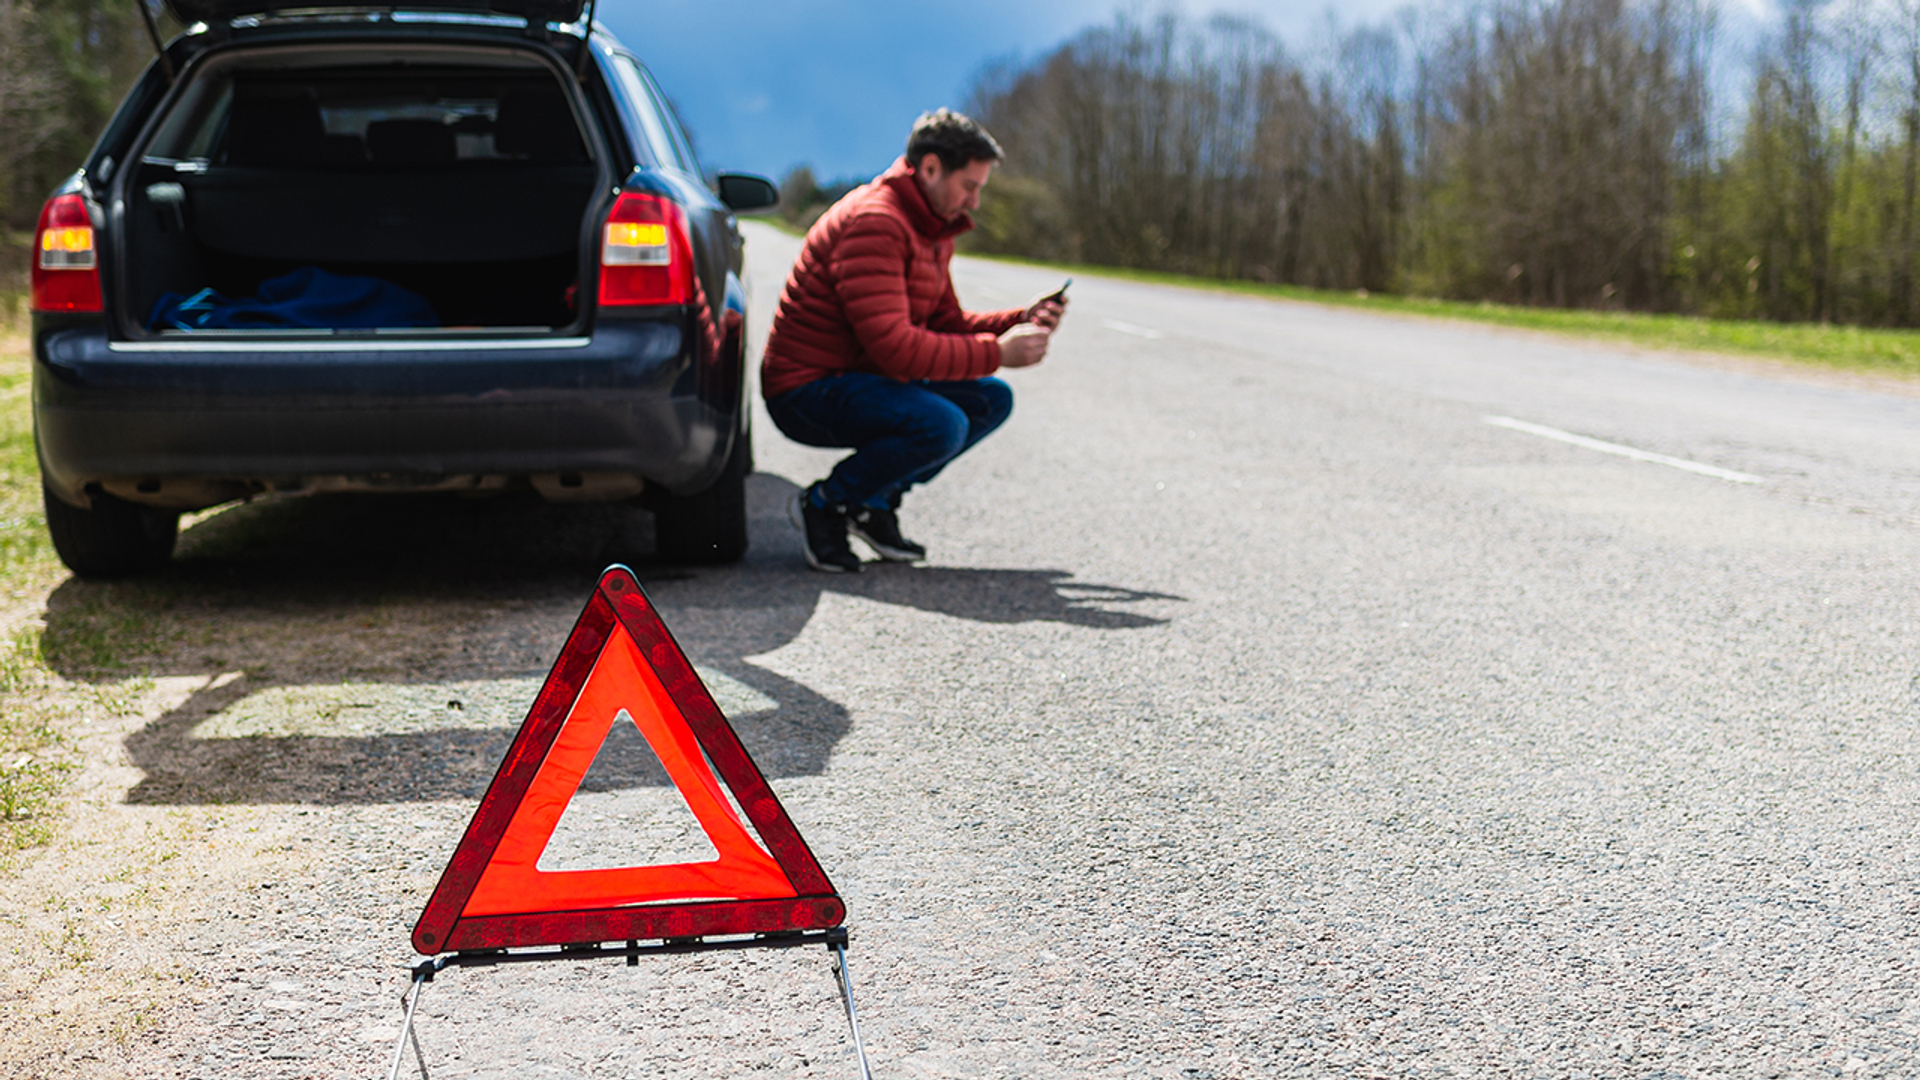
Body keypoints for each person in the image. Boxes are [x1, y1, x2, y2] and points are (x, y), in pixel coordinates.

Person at [762, 108, 1066, 572]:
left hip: (859, 377)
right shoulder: (875, 222)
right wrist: (997, 353)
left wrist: (1018, 320)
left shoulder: (929, 227)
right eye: (970, 186)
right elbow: (896, 348)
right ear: (929, 168)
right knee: (941, 423)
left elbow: (944, 320)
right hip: (807, 389)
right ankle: (826, 505)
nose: (976, 201)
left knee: (990, 400)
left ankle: (873, 503)